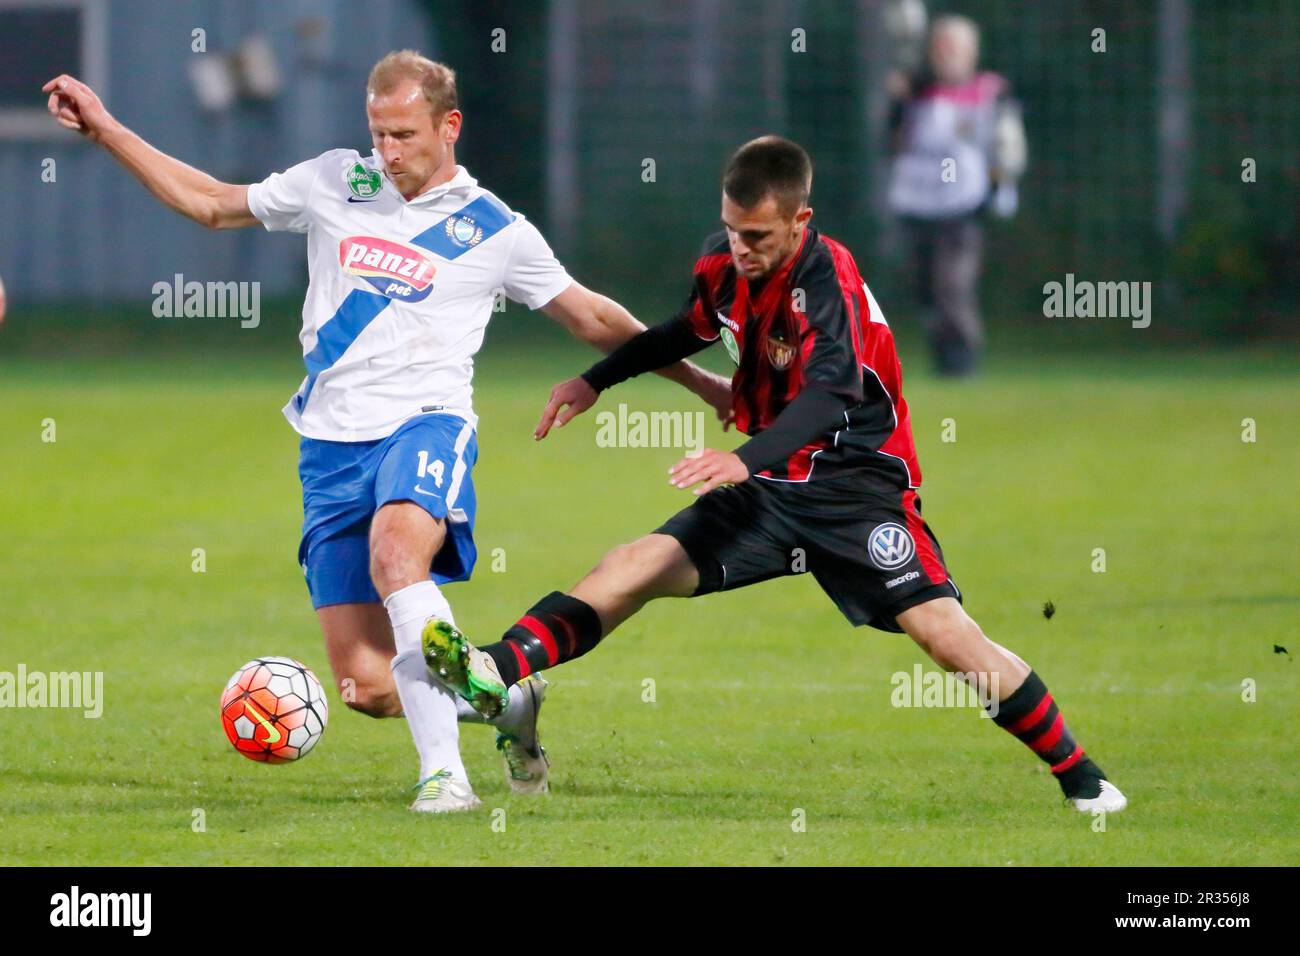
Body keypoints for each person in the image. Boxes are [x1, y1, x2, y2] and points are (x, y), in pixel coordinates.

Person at [42, 51, 730, 813]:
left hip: (427, 425)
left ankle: (446, 781)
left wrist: (700, 382)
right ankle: (504, 701)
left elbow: (594, 317)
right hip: (330, 447)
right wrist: (106, 130)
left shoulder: (493, 227)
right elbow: (211, 203)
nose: (388, 151)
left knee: (397, 554)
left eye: (404, 133)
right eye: (378, 133)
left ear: (449, 125)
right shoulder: (337, 179)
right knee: (367, 686)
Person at [423, 135, 1126, 815]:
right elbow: (683, 330)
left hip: (858, 489)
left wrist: (739, 459)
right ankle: (496, 668)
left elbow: (831, 395)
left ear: (800, 221)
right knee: (633, 565)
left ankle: (1084, 779)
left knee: (946, 637)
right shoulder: (724, 262)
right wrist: (595, 380)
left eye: (757, 235)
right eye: (731, 229)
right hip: (772, 489)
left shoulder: (828, 281)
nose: (741, 247)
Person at [886, 14, 1026, 377]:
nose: (948, 55)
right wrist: (898, 103)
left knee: (953, 282)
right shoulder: (914, 92)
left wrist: (1001, 182)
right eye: (941, 47)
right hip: (919, 201)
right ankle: (941, 353)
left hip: (964, 203)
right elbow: (891, 143)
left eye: (956, 48)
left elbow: (1007, 146)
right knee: (926, 285)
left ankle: (962, 359)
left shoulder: (991, 92)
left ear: (971, 52)